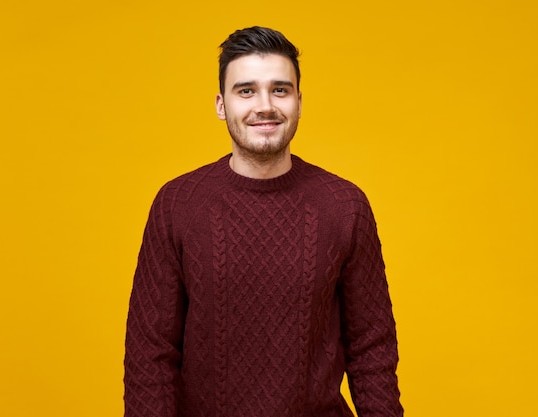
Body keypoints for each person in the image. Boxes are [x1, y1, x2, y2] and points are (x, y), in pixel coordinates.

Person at [124, 26, 403, 417]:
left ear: (299, 102)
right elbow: (150, 353)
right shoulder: (177, 204)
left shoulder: (345, 205)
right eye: (246, 91)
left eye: (280, 89)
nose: (265, 105)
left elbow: (371, 347)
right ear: (222, 105)